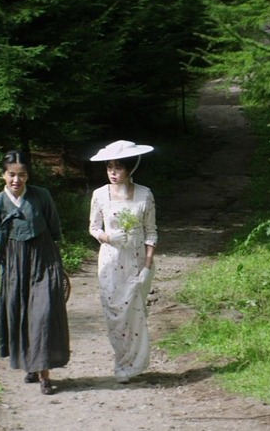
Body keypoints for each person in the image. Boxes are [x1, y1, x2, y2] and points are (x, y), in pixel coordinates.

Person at [0, 150, 70, 395]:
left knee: (43, 314)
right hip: (14, 264)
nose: (17, 180)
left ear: (27, 175)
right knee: (21, 313)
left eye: (22, 175)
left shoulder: (41, 196)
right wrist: (8, 268)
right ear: (4, 175)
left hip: (43, 260)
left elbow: (54, 228)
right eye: (12, 175)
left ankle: (45, 374)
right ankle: (31, 366)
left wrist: (57, 265)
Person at [88, 140, 157, 383]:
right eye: (109, 168)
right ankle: (121, 361)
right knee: (114, 312)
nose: (113, 173)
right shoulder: (100, 195)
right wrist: (107, 237)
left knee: (134, 312)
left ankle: (132, 365)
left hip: (136, 260)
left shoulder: (144, 194)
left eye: (118, 168)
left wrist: (147, 264)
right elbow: (93, 226)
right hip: (109, 260)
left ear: (129, 169)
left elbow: (151, 232)